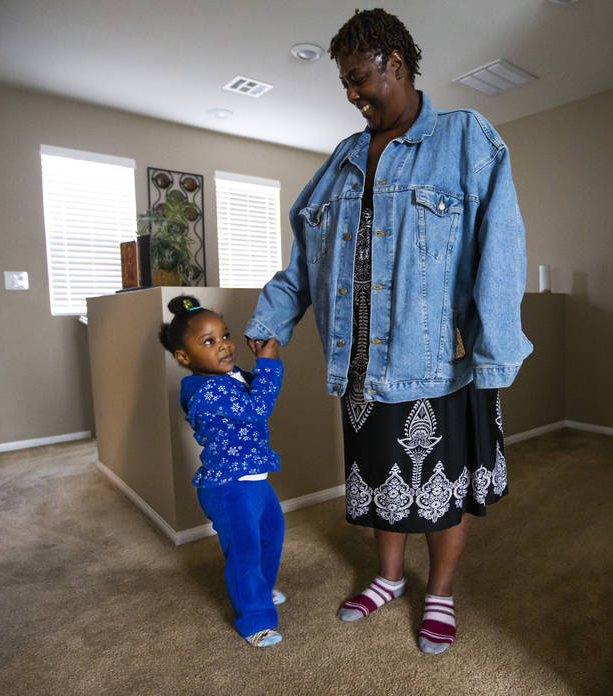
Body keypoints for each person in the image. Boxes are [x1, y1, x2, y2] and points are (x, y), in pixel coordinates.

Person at [245, 8, 532, 654]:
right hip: (358, 365)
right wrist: (270, 325)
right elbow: (305, 261)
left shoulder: (465, 138)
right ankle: (389, 578)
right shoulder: (343, 160)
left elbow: (502, 248)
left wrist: (490, 346)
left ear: (394, 65)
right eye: (345, 84)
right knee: (379, 482)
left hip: (436, 359)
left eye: (357, 79)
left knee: (437, 488)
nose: (351, 95)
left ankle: (440, 593)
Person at [159, 294, 288, 648]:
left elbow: (255, 388)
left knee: (271, 534)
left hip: (254, 481)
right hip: (230, 488)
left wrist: (261, 357)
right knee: (244, 551)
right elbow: (259, 405)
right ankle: (255, 620)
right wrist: (268, 363)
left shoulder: (230, 378)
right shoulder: (209, 389)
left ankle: (258, 591)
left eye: (225, 334)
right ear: (184, 358)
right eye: (209, 341)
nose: (224, 345)